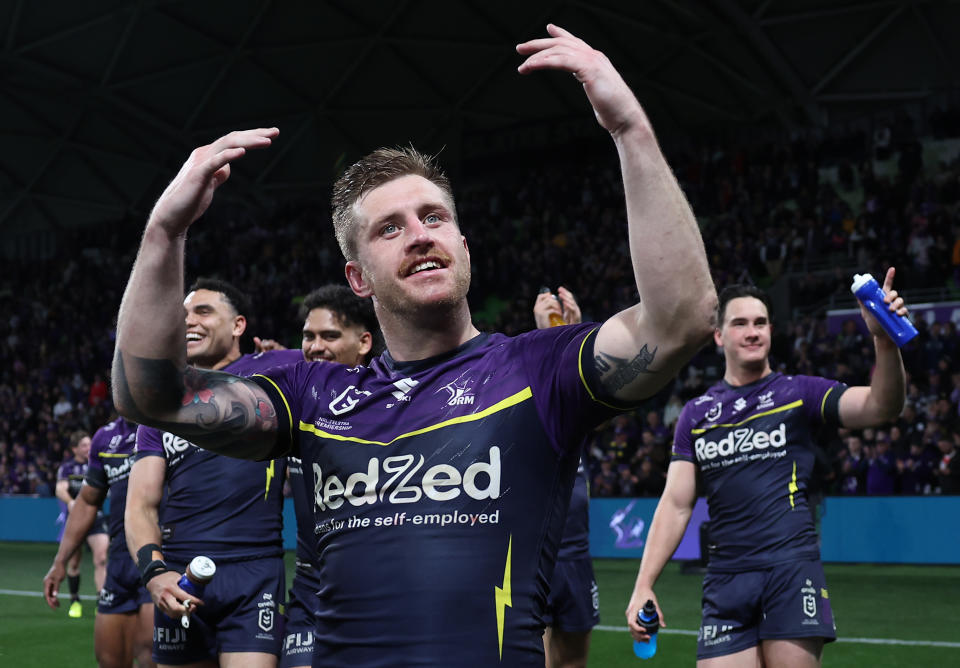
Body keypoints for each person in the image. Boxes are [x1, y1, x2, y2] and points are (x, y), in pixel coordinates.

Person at [112, 25, 716, 666]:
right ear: (358, 277)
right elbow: (150, 395)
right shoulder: (312, 393)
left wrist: (629, 130)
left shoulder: (540, 370)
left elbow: (681, 319)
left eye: (435, 218)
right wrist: (164, 232)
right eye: (390, 228)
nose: (420, 235)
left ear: (462, 246)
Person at [626, 274, 909, 667]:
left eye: (760, 323)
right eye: (739, 323)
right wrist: (643, 585)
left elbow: (882, 406)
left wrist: (883, 339)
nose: (752, 331)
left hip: (791, 572)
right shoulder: (695, 415)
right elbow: (676, 504)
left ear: (771, 332)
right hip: (726, 581)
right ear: (719, 336)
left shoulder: (800, 393)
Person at [124, 278, 303, 668]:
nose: (188, 321)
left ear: (238, 325)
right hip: (181, 573)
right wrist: (155, 573)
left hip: (255, 572)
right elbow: (140, 503)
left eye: (203, 311)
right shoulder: (163, 402)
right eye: (183, 314)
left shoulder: (282, 370)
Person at [278, 285, 379, 668]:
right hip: (311, 592)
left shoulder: (393, 407)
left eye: (329, 336)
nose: (315, 346)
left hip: (375, 592)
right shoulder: (296, 408)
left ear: (364, 341)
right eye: (308, 336)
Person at [43, 417, 155, 668]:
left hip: (160, 555)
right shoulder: (105, 438)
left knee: (151, 654)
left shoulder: (169, 423)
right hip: (120, 560)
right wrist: (59, 561)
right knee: (109, 659)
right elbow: (88, 501)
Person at [533, 287, 599, 668]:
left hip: (576, 555)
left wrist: (572, 340)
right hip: (531, 554)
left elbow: (590, 389)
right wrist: (547, 340)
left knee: (573, 661)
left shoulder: (574, 398)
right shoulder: (520, 377)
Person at [55, 429, 109, 618]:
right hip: (76, 520)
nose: (88, 448)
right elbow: (60, 489)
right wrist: (71, 502)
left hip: (97, 517)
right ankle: (75, 601)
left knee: (102, 557)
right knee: (74, 562)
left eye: (90, 444)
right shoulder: (67, 468)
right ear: (75, 448)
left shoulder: (97, 464)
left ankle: (101, 601)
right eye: (84, 445)